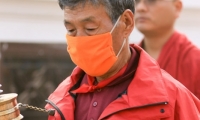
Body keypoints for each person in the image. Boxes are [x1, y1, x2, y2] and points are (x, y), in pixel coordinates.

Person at [45, 0, 200, 120]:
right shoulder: (62, 97)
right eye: (71, 30)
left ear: (126, 22)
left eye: (90, 28)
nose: (79, 39)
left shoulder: (172, 98)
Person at [135, 0, 200, 99]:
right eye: (136, 2)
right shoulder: (126, 60)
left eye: (151, 1)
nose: (140, 8)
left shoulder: (195, 62)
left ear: (177, 7)